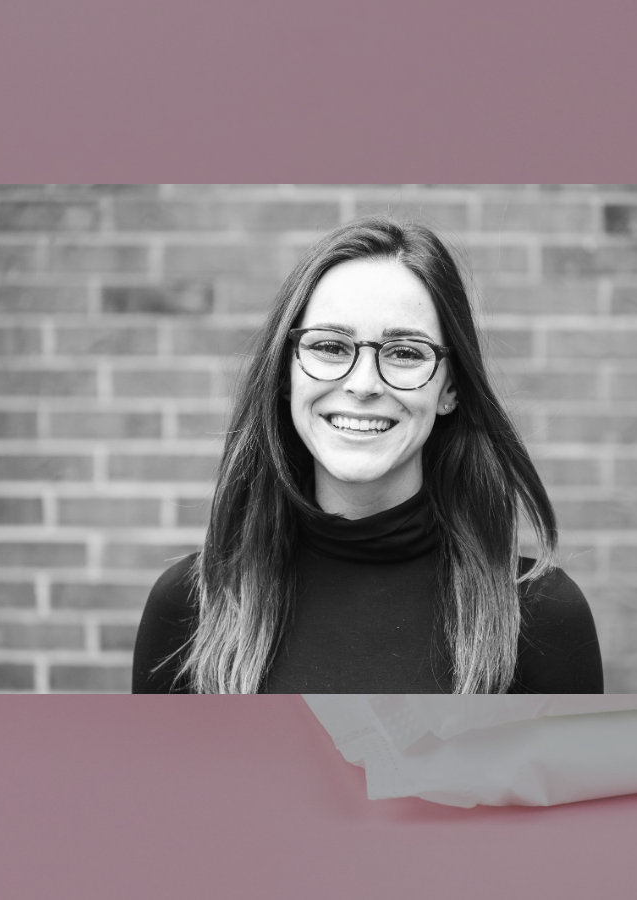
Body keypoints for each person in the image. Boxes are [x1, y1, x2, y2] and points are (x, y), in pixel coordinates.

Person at [132, 218, 603, 693]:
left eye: (403, 353)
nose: (362, 385)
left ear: (450, 388)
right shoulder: (191, 606)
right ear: (285, 373)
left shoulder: (543, 617)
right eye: (331, 346)